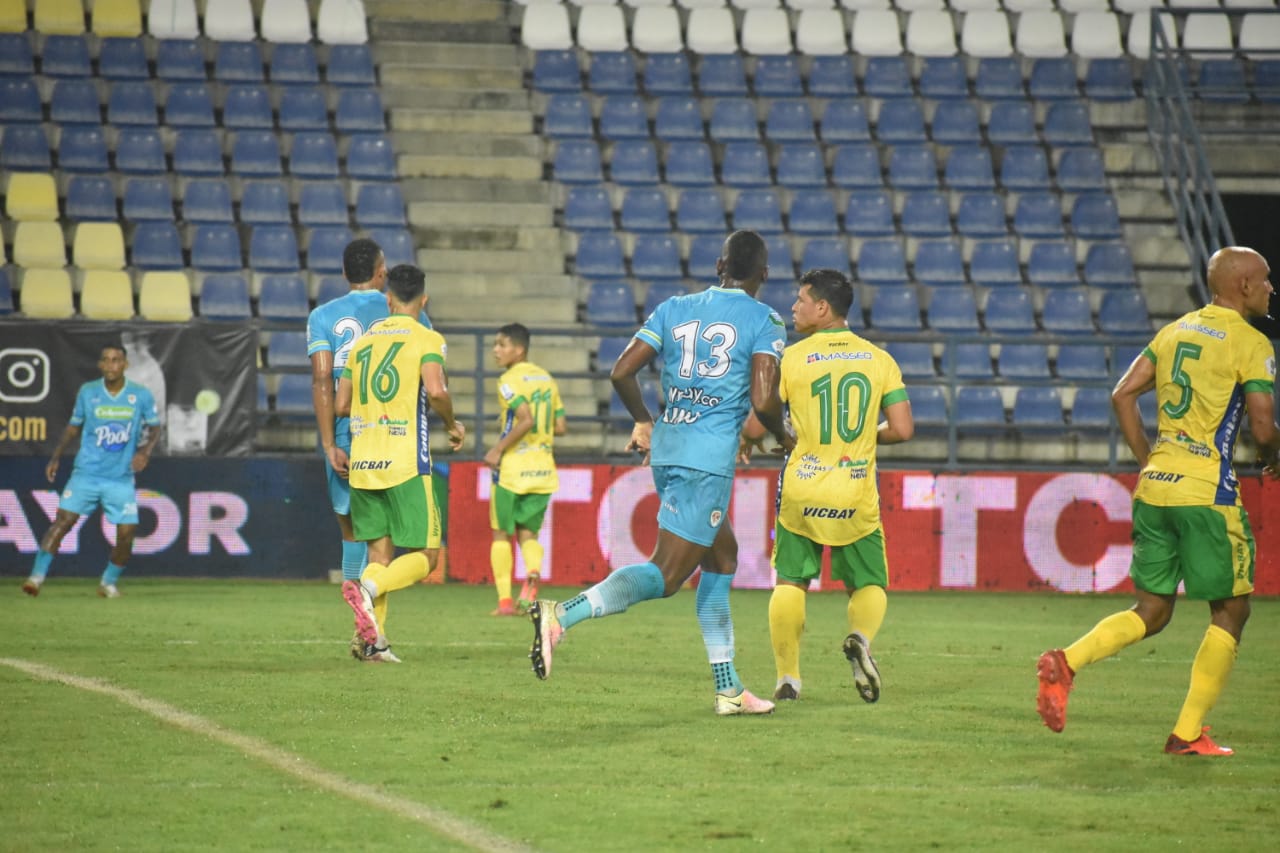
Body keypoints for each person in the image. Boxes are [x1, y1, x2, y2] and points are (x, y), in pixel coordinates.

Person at [528, 230, 791, 715]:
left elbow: (621, 372)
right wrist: (784, 435)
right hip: (706, 460)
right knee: (667, 574)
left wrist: (644, 420)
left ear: (719, 265)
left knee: (721, 560)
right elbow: (763, 398)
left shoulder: (673, 308)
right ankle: (561, 616)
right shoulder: (765, 320)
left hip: (670, 445)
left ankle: (729, 689)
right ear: (765, 275)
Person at [1036, 246, 1280, 756]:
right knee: (1231, 611)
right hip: (1206, 491)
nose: (1270, 289)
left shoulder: (1175, 331)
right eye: (1264, 280)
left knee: (1152, 609)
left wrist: (1148, 459)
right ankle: (1187, 733)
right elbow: (1261, 425)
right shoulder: (1251, 342)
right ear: (1242, 286)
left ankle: (1068, 662)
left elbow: (1122, 394)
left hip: (1157, 486)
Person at [756, 269, 914, 705]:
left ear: (822, 308)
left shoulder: (792, 358)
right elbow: (902, 428)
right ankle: (860, 638)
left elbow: (758, 417)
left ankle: (788, 678)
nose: (793, 307)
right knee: (869, 583)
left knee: (790, 582)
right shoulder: (880, 360)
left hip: (802, 489)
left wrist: (762, 438)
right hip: (854, 491)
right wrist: (862, 436)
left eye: (800, 299)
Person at [307, 238, 432, 660]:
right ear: (381, 273)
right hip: (393, 432)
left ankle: (367, 635)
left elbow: (322, 380)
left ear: (345, 274)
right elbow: (427, 371)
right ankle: (371, 632)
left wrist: (328, 443)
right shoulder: (401, 307)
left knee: (356, 537)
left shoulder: (322, 316)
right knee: (394, 547)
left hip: (345, 431)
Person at [335, 264, 465, 663]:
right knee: (428, 557)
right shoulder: (427, 337)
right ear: (423, 300)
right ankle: (368, 592)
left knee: (379, 555)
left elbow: (340, 404)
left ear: (388, 299)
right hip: (406, 461)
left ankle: (373, 643)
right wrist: (451, 423)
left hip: (363, 463)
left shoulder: (362, 344)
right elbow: (437, 390)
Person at [21, 343, 162, 598]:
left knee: (127, 533)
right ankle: (35, 578)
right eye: (106, 360)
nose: (110, 365)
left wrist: (145, 452)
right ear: (100, 365)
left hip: (120, 478)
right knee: (63, 522)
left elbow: (155, 427)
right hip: (86, 473)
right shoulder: (89, 392)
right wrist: (56, 456)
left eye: (116, 360)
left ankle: (107, 583)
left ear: (125, 365)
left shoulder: (140, 395)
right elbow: (74, 427)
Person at [484, 323, 567, 616]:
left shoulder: (508, 380)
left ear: (518, 350)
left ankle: (505, 602)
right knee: (528, 536)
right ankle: (532, 570)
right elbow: (560, 426)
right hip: (543, 469)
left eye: (502, 344)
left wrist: (497, 449)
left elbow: (526, 419)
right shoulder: (547, 380)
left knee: (500, 534)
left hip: (512, 470)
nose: (495, 350)